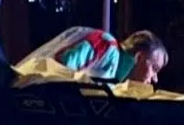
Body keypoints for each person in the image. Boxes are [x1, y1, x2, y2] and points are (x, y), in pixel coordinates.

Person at [35, 26, 168, 85]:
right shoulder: (106, 45)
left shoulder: (116, 76)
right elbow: (62, 67)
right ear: (139, 58)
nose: (155, 79)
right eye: (154, 68)